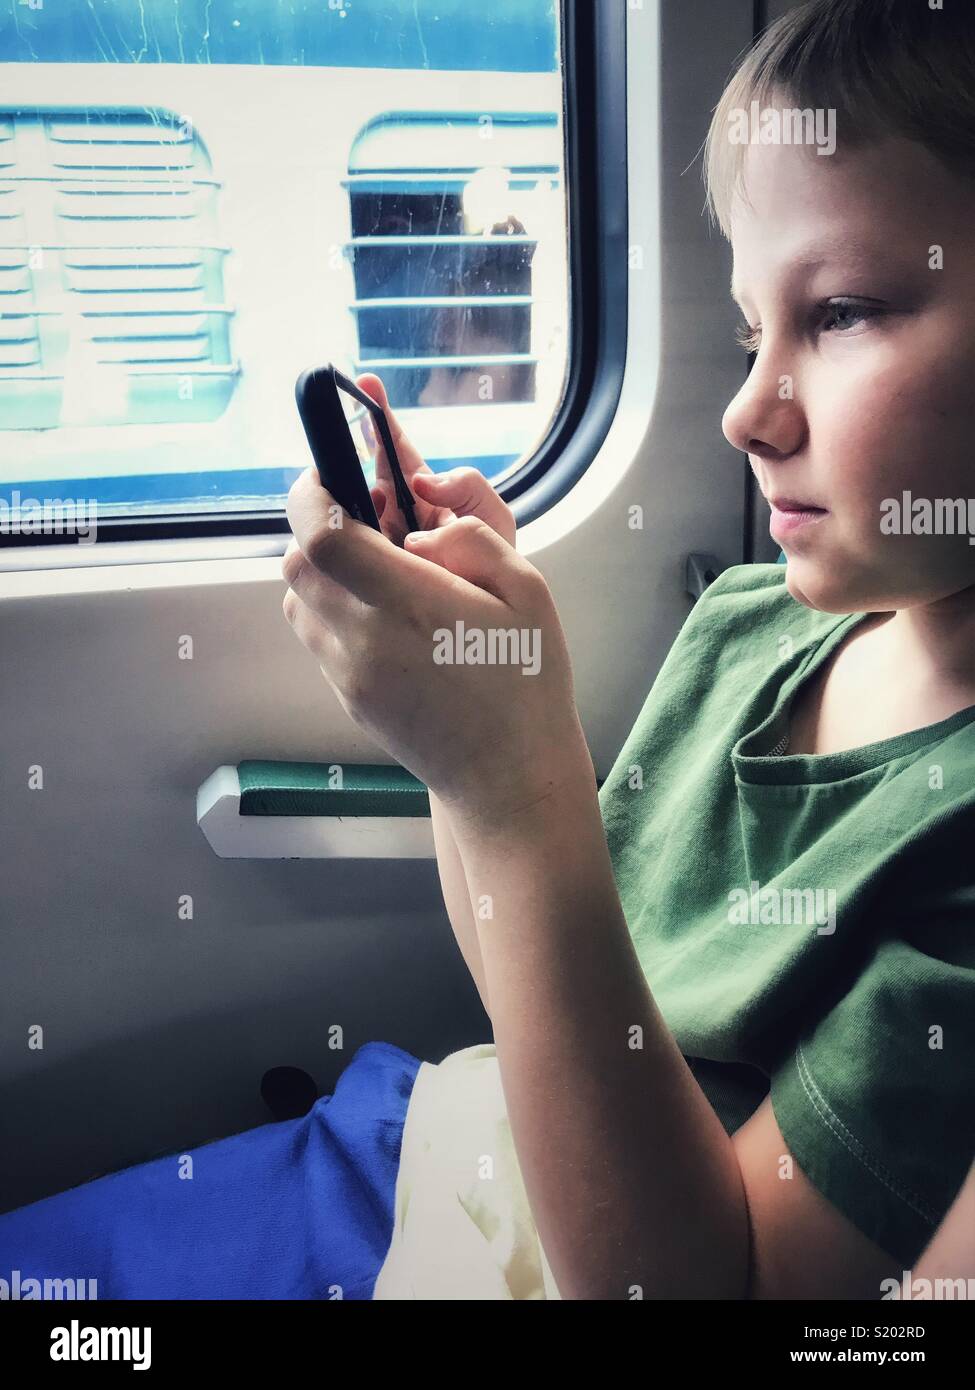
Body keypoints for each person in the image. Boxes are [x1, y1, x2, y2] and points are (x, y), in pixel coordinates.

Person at [2, 0, 972, 1302]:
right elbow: (536, 971)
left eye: (843, 310)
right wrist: (476, 744)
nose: (747, 410)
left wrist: (523, 790)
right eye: (750, 330)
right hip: (455, 1145)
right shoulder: (754, 622)